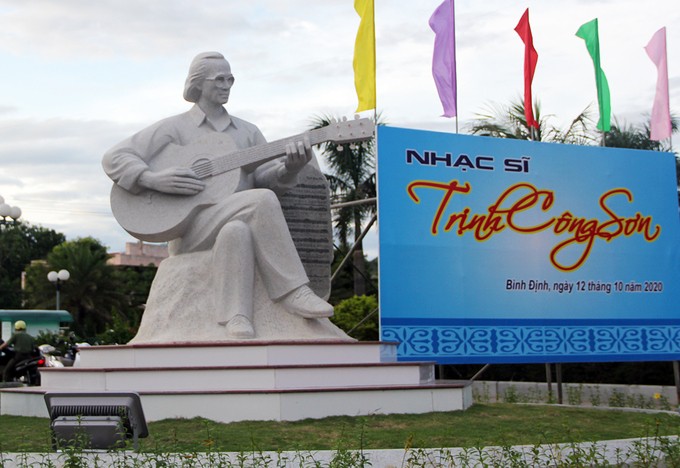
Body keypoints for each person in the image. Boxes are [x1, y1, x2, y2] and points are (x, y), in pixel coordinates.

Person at [102, 51, 333, 339]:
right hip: (191, 228)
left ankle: (236, 318)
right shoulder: (175, 127)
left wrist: (289, 169)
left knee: (237, 229)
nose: (226, 85)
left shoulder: (248, 132)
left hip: (238, 218)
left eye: (231, 79)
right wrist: (152, 178)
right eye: (219, 79)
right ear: (198, 83)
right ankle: (293, 290)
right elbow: (115, 157)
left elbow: (264, 179)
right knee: (259, 200)